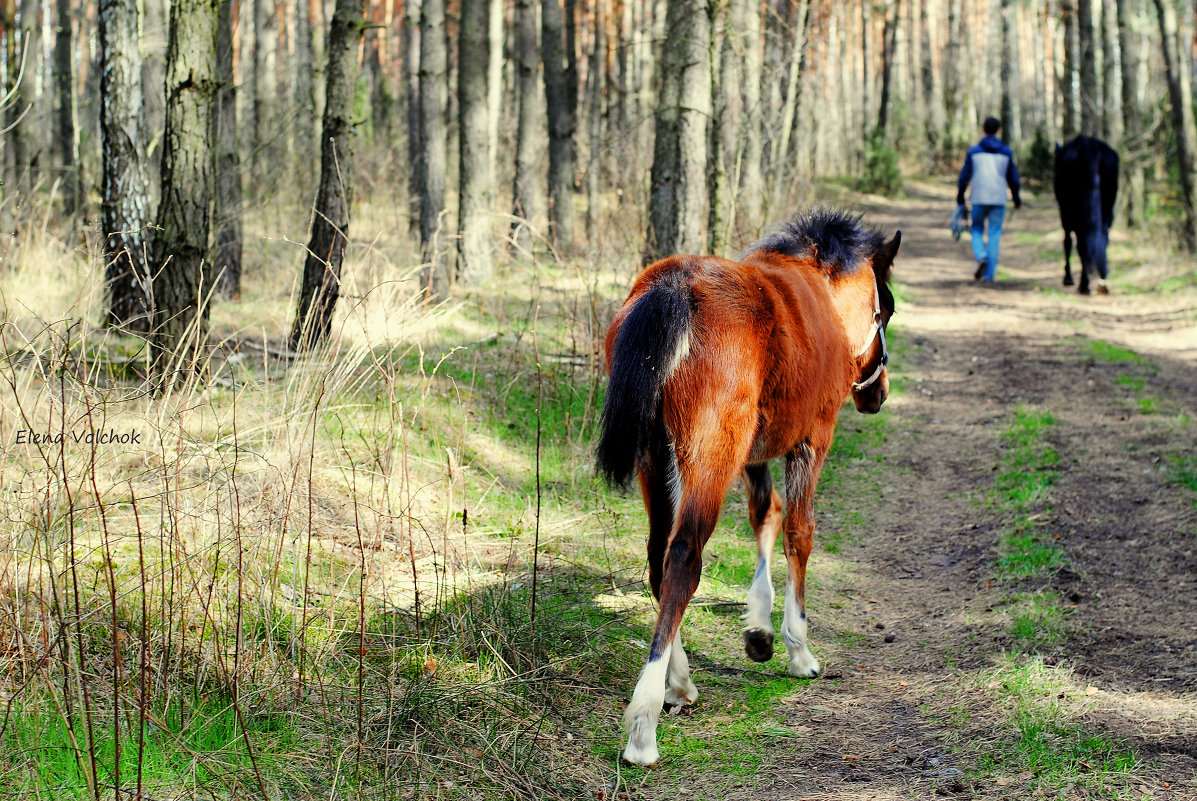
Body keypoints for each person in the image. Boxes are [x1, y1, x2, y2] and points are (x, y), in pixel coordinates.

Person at [957, 117, 1022, 283]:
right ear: (999, 131)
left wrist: (960, 195)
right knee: (994, 234)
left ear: (983, 130)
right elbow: (1013, 179)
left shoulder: (974, 151)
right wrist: (1016, 198)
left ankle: (981, 256)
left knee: (976, 230)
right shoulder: (1006, 152)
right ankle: (989, 276)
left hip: (978, 198)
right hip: (999, 199)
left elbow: (964, 176)